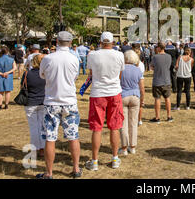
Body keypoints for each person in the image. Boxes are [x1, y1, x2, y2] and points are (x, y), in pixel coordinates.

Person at [37, 31, 82, 179]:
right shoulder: (74, 59)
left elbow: (42, 75)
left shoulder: (48, 59)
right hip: (69, 102)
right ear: (70, 42)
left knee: (50, 138)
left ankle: (49, 172)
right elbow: (74, 77)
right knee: (73, 136)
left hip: (52, 101)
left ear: (57, 41)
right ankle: (76, 169)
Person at [85, 31, 125, 171]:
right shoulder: (119, 55)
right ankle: (114, 158)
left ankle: (95, 160)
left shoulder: (92, 55)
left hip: (98, 93)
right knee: (114, 126)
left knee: (97, 128)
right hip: (114, 92)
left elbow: (91, 74)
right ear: (113, 42)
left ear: (101, 42)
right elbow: (120, 74)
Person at [119, 50, 144, 156]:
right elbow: (142, 88)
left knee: (123, 123)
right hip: (135, 96)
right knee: (133, 122)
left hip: (123, 96)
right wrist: (142, 99)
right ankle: (132, 146)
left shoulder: (121, 70)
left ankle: (124, 147)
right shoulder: (138, 70)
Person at [22, 54, 46, 158]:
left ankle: (35, 148)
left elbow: (23, 86)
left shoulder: (27, 73)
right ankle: (42, 149)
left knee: (34, 127)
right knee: (42, 126)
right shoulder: (45, 74)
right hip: (43, 101)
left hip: (31, 101)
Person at [150, 42, 173, 123]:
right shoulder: (169, 56)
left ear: (159, 48)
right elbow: (169, 66)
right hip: (166, 80)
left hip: (157, 81)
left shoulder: (155, 57)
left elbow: (152, 67)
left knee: (157, 99)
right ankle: (169, 116)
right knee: (167, 98)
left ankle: (157, 117)